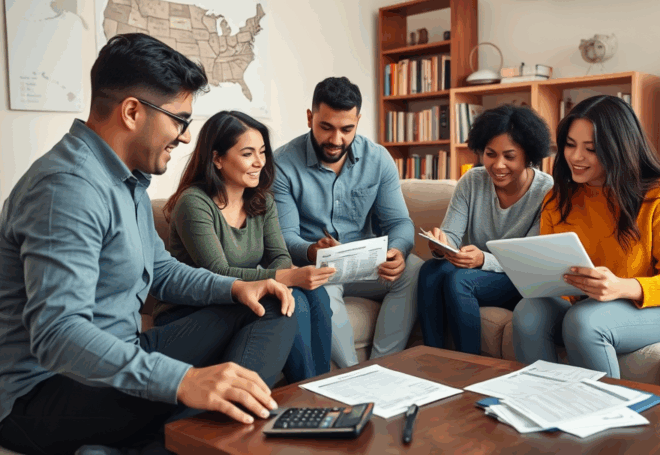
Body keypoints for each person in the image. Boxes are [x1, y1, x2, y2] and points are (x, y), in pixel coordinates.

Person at [0, 33, 297, 455]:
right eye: (179, 119)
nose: (187, 137)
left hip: (121, 353)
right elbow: (57, 334)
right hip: (47, 391)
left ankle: (169, 442)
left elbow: (160, 270)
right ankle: (175, 444)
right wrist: (183, 381)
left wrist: (236, 287)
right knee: (192, 386)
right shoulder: (67, 187)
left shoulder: (128, 179)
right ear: (133, 112)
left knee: (273, 304)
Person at [512, 95, 660, 378]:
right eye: (570, 144)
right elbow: (556, 280)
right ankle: (540, 404)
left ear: (619, 148)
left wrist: (621, 287)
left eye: (590, 149)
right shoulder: (558, 199)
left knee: (585, 321)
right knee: (529, 311)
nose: (576, 157)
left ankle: (607, 419)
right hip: (594, 303)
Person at [158, 110, 335, 382]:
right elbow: (218, 272)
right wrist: (286, 276)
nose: (259, 163)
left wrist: (282, 276)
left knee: (317, 295)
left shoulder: (262, 201)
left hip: (241, 299)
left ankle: (323, 387)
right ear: (217, 159)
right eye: (247, 154)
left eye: (262, 152)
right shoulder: (194, 203)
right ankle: (308, 391)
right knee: (295, 297)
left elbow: (279, 256)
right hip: (194, 311)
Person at [272, 76, 423, 368]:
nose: (336, 140)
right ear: (309, 118)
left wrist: (398, 252)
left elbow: (400, 222)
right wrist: (311, 250)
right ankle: (353, 373)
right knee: (323, 288)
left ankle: (382, 367)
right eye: (326, 127)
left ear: (358, 121)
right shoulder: (283, 164)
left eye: (347, 129)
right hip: (320, 267)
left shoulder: (377, 158)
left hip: (365, 264)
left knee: (415, 270)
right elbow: (285, 236)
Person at [417, 105, 554, 355]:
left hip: (519, 278)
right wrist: (440, 244)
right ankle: (432, 357)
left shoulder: (546, 192)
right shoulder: (472, 181)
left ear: (528, 155)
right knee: (430, 270)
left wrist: (483, 259)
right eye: (490, 154)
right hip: (476, 270)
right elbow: (452, 236)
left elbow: (531, 258)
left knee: (459, 280)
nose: (498, 165)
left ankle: (471, 366)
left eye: (509, 156)